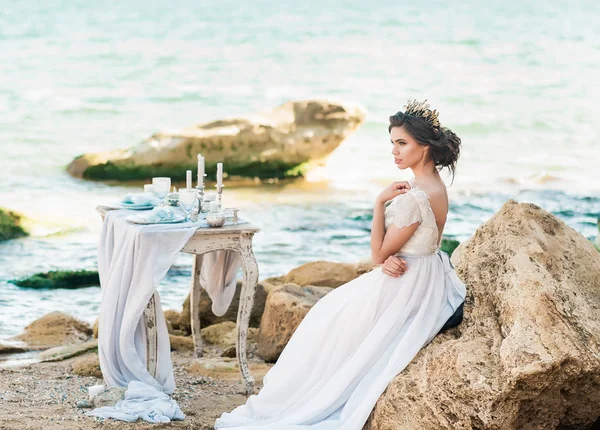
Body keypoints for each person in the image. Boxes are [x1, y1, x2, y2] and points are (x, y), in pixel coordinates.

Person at [215, 100, 466, 430]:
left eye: (402, 143)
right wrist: (396, 254)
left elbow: (377, 255)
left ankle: (304, 397)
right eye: (392, 143)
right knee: (332, 314)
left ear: (425, 146)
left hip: (408, 279)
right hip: (427, 272)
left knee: (326, 318)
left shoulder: (414, 196)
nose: (394, 151)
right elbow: (424, 241)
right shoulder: (437, 187)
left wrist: (379, 203)